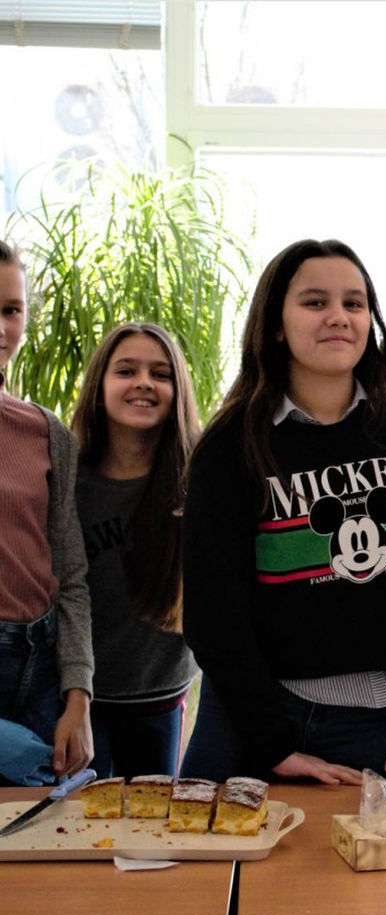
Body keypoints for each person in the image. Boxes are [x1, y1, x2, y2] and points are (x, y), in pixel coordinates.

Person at [165, 238, 386, 915]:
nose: (338, 317)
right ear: (276, 323)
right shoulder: (232, 444)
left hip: (375, 723)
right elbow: (214, 614)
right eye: (315, 301)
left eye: (354, 302)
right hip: (250, 716)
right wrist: (273, 742)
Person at [71, 323, 199, 779]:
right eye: (126, 371)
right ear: (99, 386)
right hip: (79, 700)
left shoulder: (197, 481)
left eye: (160, 374)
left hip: (161, 696)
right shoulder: (67, 481)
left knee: (152, 820)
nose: (144, 382)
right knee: (78, 818)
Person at [0, 239, 93, 784]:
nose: (1, 327)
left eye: (11, 310)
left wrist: (78, 696)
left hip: (43, 671)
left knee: (48, 830)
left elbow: (71, 576)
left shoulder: (47, 432)